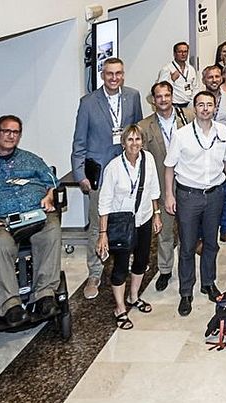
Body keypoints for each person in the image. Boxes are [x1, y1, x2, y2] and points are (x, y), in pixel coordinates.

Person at [71, 58, 143, 300]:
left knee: (126, 217)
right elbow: (79, 140)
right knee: (98, 224)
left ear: (123, 75)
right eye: (110, 74)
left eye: (119, 73)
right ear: (103, 75)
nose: (114, 78)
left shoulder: (132, 96)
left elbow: (137, 132)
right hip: (99, 171)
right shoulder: (88, 102)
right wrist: (80, 173)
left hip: (126, 168)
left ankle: (128, 257)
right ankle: (95, 272)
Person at [164, 91, 226, 316]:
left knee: (211, 243)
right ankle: (186, 291)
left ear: (215, 108)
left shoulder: (222, 131)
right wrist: (169, 194)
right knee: (187, 246)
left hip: (215, 194)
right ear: (194, 108)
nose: (205, 108)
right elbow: (169, 167)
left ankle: (208, 283)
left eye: (209, 105)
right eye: (201, 105)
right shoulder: (182, 134)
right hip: (188, 196)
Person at [0, 115, 61, 326]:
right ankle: (10, 304)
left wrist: (49, 195)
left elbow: (52, 181)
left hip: (35, 215)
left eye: (15, 132)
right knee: (0, 243)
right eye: (6, 131)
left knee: (52, 229)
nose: (11, 136)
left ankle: (44, 295)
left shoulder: (31, 159)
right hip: (2, 221)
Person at [97, 124, 161, 329]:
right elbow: (104, 202)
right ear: (123, 143)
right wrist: (103, 233)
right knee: (121, 266)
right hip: (122, 223)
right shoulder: (114, 167)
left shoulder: (148, 159)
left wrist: (157, 215)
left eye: (138, 139)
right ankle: (120, 308)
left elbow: (153, 189)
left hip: (144, 218)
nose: (135, 143)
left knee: (142, 260)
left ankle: (134, 297)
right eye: (130, 140)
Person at [139, 81, 193, 292]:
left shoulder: (187, 118)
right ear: (153, 100)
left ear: (172, 96)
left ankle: (187, 270)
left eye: (167, 95)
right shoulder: (144, 126)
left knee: (189, 232)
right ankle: (165, 270)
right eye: (159, 96)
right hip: (162, 186)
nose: (163, 100)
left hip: (189, 182)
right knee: (165, 232)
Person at [202, 66, 226, 248]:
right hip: (204, 154)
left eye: (217, 76)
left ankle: (225, 230)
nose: (214, 79)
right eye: (210, 77)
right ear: (204, 80)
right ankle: (202, 235)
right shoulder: (199, 100)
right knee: (205, 195)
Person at [158, 42, 199, 107]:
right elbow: (160, 89)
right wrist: (172, 80)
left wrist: (193, 102)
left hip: (190, 104)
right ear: (174, 54)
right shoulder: (167, 69)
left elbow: (196, 88)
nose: (183, 54)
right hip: (175, 105)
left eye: (185, 52)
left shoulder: (191, 69)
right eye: (180, 52)